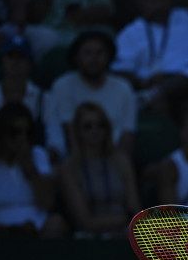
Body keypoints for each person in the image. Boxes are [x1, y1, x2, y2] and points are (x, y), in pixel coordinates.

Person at [0, 101, 67, 237]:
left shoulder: (38, 155)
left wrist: (30, 169)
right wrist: (12, 231)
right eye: (15, 133)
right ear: (1, 133)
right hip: (0, 234)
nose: (22, 138)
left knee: (57, 223)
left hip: (38, 231)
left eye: (28, 133)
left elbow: (48, 204)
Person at [48, 29, 137, 159]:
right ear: (77, 57)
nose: (94, 59)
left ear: (109, 57)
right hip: (73, 161)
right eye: (87, 53)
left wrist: (119, 168)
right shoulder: (62, 86)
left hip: (113, 160)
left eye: (100, 53)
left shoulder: (124, 88)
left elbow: (127, 135)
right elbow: (69, 133)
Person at [59, 101, 141, 238]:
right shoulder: (69, 168)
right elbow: (84, 221)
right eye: (87, 126)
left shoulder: (121, 162)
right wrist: (125, 220)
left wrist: (127, 224)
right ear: (77, 131)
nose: (94, 130)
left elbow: (135, 209)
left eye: (100, 125)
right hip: (88, 238)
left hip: (125, 234)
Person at [0, 34, 49, 149]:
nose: (16, 62)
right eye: (10, 56)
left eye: (21, 56)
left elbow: (56, 143)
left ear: (30, 64)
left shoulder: (46, 98)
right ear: (1, 62)